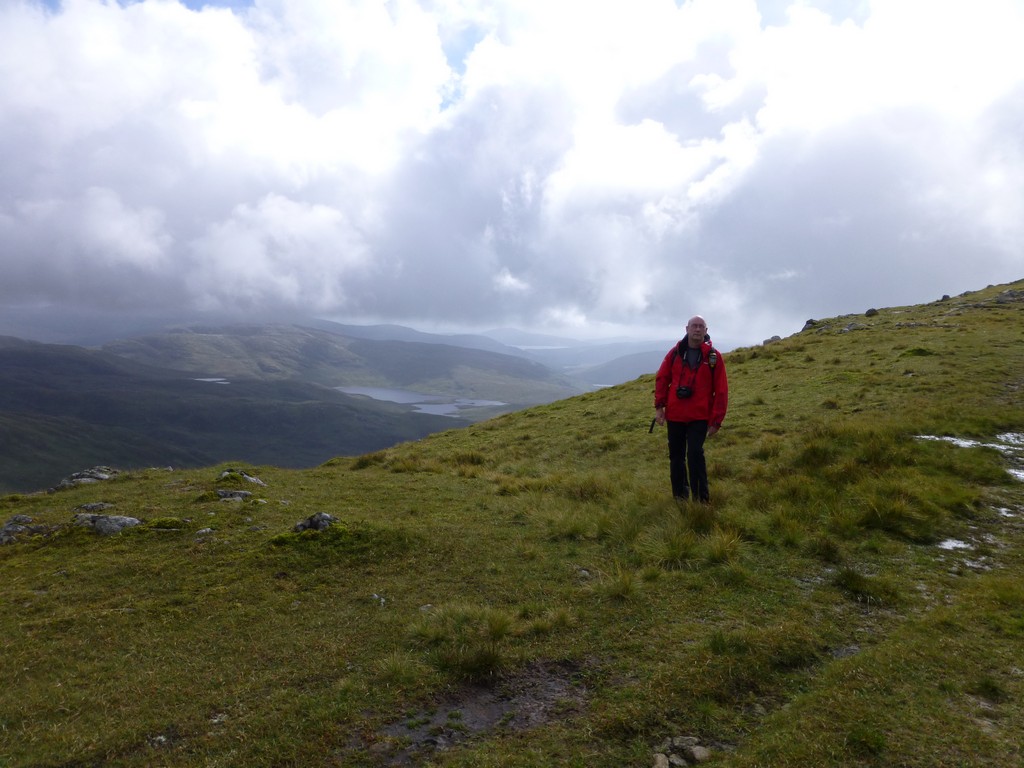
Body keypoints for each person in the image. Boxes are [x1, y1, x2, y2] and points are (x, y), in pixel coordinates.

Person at [653, 315, 728, 502]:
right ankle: (680, 497)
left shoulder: (713, 357)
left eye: (701, 326)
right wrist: (659, 407)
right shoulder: (675, 353)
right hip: (675, 415)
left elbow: (721, 390)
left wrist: (716, 421)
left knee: (695, 454)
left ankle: (701, 500)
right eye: (694, 326)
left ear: (706, 331)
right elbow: (662, 379)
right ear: (686, 329)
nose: (697, 329)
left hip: (699, 416)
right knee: (676, 457)